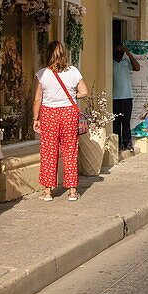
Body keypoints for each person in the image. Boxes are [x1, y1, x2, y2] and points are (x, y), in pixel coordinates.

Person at [32, 40, 88, 201]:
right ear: (64, 54)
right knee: (70, 149)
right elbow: (84, 92)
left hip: (49, 113)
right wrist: (70, 96)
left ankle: (48, 191)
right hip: (69, 113)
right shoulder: (73, 72)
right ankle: (71, 191)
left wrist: (36, 118)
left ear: (48, 55)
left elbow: (37, 99)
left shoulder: (42, 74)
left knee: (49, 150)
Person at [112, 41, 141, 152]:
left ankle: (127, 143)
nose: (119, 52)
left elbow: (137, 67)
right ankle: (117, 143)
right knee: (115, 123)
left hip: (127, 97)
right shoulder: (110, 62)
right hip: (114, 98)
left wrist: (128, 54)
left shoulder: (126, 61)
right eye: (118, 50)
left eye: (121, 50)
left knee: (126, 121)